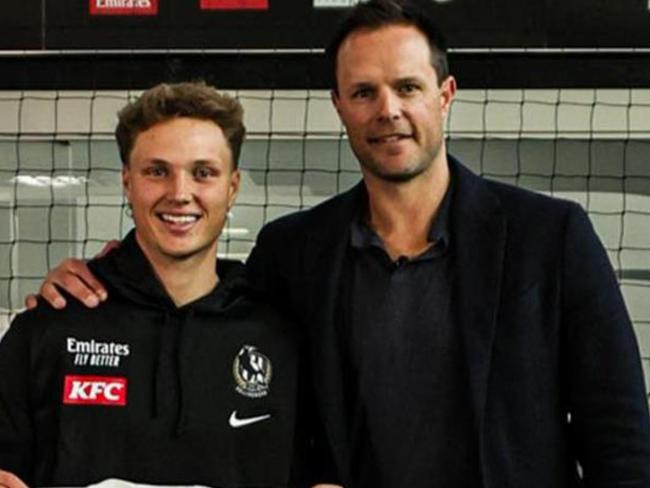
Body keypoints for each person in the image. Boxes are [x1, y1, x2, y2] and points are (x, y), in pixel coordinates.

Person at [22, 1, 650, 487]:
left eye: (407, 87)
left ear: (445, 95)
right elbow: (195, 296)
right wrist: (108, 277)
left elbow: (619, 433)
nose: (388, 110)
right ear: (339, 106)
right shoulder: (296, 251)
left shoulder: (550, 237)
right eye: (363, 92)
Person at [0, 82, 322, 488]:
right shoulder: (53, 324)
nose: (180, 193)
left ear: (233, 187)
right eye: (157, 171)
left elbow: (321, 472)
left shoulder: (280, 333)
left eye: (203, 173)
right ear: (127, 182)